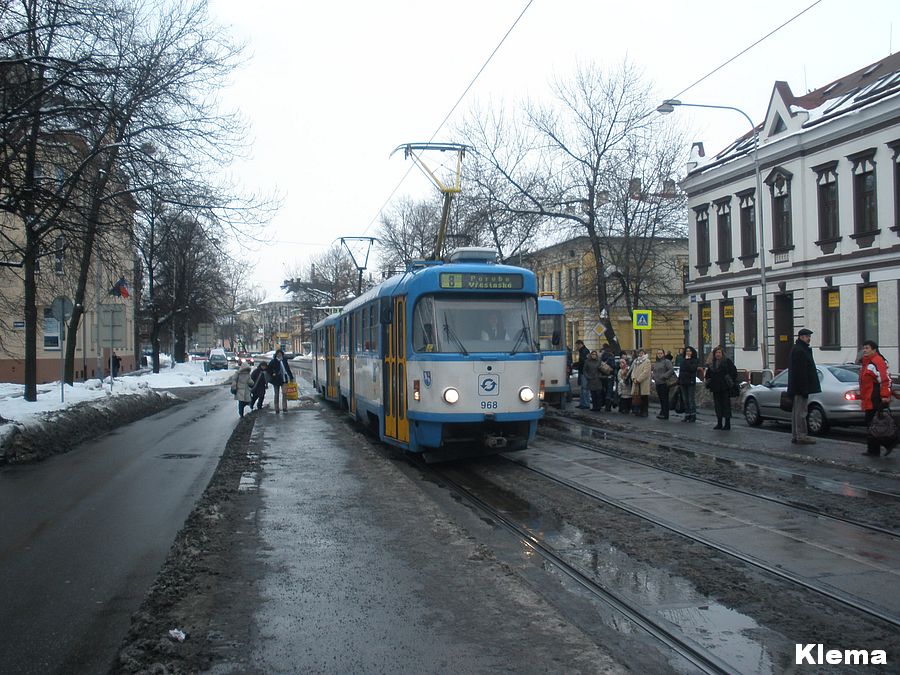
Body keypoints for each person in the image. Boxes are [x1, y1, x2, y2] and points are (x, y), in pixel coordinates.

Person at [859, 339, 895, 457]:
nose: (864, 350)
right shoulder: (867, 363)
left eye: (867, 348)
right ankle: (876, 448)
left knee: (875, 423)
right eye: (864, 348)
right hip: (870, 398)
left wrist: (885, 396)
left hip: (876, 398)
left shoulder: (875, 362)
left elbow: (884, 380)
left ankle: (880, 447)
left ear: (874, 350)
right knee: (874, 423)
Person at [787, 328, 820, 444]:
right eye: (806, 336)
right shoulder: (800, 351)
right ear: (801, 337)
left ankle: (796, 435)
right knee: (801, 412)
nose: (809, 338)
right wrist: (804, 388)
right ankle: (801, 435)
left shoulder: (799, 349)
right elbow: (801, 372)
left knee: (797, 412)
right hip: (800, 388)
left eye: (809, 336)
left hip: (797, 387)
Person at [704, 345, 738, 430]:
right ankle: (719, 423)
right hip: (716, 388)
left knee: (726, 405)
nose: (718, 354)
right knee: (718, 406)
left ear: (722, 354)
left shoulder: (727, 362)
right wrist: (709, 382)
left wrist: (729, 381)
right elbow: (708, 375)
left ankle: (727, 423)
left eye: (719, 352)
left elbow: (734, 372)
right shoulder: (712, 364)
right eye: (716, 353)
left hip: (725, 387)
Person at [267, 349, 295, 414]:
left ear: (282, 354)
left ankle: (284, 408)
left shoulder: (284, 360)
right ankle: (277, 409)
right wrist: (273, 374)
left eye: (280, 354)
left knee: (284, 394)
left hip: (284, 380)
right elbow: (268, 370)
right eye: (278, 354)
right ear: (276, 354)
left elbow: (287, 369)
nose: (279, 355)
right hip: (276, 380)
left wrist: (291, 377)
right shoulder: (273, 361)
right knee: (276, 394)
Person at [652, 348, 675, 420]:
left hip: (664, 383)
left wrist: (664, 376)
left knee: (665, 399)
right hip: (657, 382)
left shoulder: (666, 361)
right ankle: (662, 412)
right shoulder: (656, 363)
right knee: (661, 399)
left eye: (661, 353)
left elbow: (671, 370)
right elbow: (654, 371)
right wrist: (653, 377)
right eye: (658, 353)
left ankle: (665, 413)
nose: (659, 355)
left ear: (663, 354)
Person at [679, 346, 699, 423]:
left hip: (690, 381)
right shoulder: (683, 360)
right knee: (685, 399)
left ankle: (693, 415)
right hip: (683, 381)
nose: (688, 353)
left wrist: (687, 361)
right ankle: (687, 415)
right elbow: (681, 371)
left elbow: (692, 369)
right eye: (687, 351)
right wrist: (679, 380)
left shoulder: (694, 360)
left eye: (689, 351)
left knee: (691, 399)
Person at [630, 349, 651, 417]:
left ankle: (644, 411)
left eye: (642, 353)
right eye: (639, 353)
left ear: (644, 353)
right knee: (637, 396)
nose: (640, 354)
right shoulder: (636, 361)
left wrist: (638, 379)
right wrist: (633, 378)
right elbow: (633, 370)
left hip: (643, 382)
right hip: (636, 381)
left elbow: (646, 372)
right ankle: (638, 410)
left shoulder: (647, 361)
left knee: (644, 397)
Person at [598, 344, 617, 412]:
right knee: (609, 391)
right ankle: (608, 407)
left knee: (603, 391)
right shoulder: (611, 356)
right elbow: (613, 367)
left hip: (602, 376)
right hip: (609, 376)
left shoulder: (601, 356)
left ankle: (601, 404)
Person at [574, 339, 591, 409]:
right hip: (582, 371)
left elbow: (583, 362)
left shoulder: (584, 351)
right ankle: (582, 403)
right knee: (582, 388)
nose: (576, 347)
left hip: (584, 372)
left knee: (585, 388)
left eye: (576, 345)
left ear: (579, 344)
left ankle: (586, 404)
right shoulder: (583, 351)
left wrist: (575, 364)